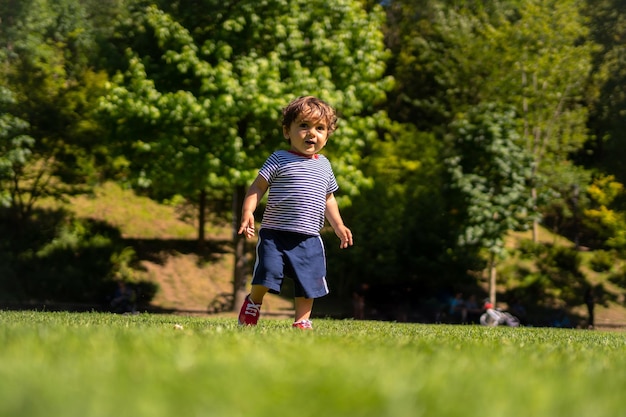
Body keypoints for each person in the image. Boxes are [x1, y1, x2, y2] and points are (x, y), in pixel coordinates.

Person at [237, 96, 354, 329]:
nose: (312, 133)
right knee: (267, 272)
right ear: (286, 131)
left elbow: (329, 198)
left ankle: (302, 320)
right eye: (303, 126)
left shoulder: (324, 165)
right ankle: (253, 302)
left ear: (327, 135)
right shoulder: (279, 159)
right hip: (275, 233)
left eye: (320, 128)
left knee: (308, 279)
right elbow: (257, 186)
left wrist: (339, 225)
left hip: (309, 236)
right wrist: (248, 211)